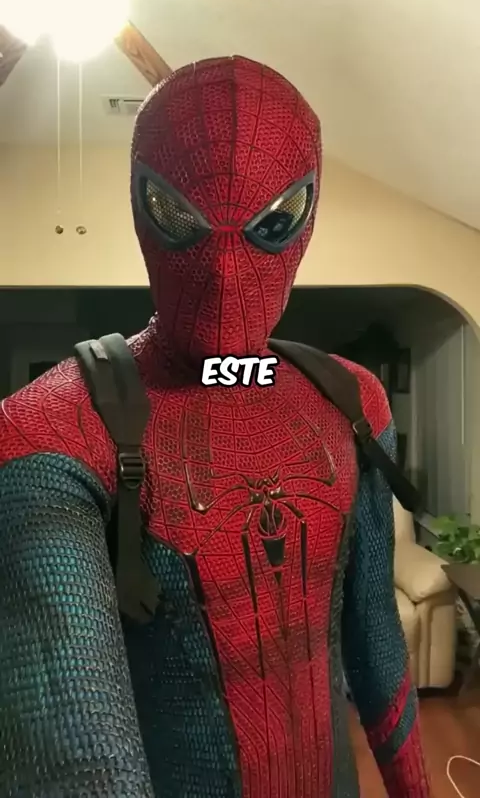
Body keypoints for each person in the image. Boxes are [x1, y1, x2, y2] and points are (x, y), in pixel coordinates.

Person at [0, 55, 430, 797]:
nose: (227, 273)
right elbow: (77, 759)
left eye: (272, 224)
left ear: (308, 214)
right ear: (141, 205)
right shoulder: (53, 429)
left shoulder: (351, 400)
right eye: (180, 220)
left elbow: (377, 642)